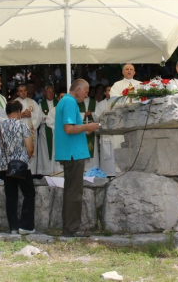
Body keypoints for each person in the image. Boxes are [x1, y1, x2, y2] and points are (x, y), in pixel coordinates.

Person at [54, 79, 99, 237]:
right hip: (72, 153)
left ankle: (69, 227)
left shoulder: (65, 101)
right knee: (74, 193)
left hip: (70, 152)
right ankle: (72, 229)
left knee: (71, 191)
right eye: (86, 91)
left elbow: (72, 128)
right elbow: (69, 128)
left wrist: (87, 130)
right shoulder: (70, 102)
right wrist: (88, 126)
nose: (87, 94)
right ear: (78, 89)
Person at [0, 100, 36, 235]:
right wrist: (27, 158)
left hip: (5, 165)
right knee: (29, 193)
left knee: (11, 196)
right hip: (21, 164)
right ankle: (26, 225)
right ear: (19, 111)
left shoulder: (0, 127)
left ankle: (13, 226)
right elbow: (29, 147)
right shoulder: (22, 125)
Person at [15, 84, 40, 171]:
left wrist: (31, 115)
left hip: (30, 130)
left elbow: (39, 115)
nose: (23, 93)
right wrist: (21, 115)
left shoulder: (33, 102)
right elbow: (9, 117)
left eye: (25, 90)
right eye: (21, 91)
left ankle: (32, 173)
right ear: (17, 93)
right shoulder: (14, 103)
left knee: (31, 151)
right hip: (18, 132)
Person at [37, 85, 58, 175]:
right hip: (45, 130)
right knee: (45, 151)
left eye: (52, 92)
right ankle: (45, 170)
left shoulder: (58, 104)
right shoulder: (41, 104)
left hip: (56, 130)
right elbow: (38, 117)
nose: (51, 94)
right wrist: (46, 118)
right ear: (45, 93)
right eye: (49, 92)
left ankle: (56, 170)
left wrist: (49, 118)